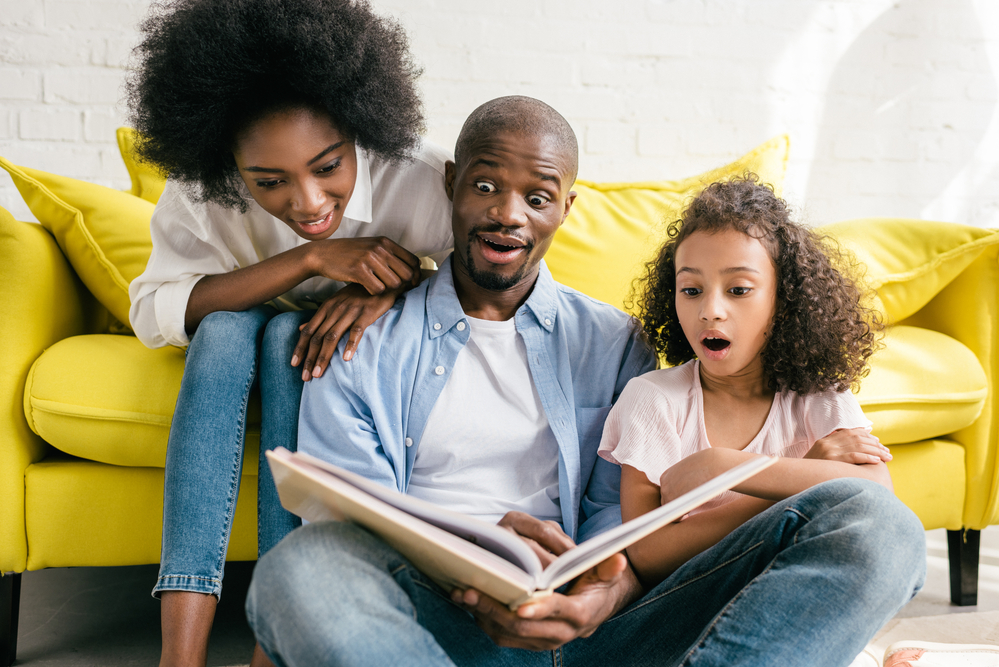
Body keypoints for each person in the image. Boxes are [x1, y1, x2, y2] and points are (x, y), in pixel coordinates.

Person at [245, 97, 926, 667]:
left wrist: (608, 589)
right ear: (451, 182)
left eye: (536, 196)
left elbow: (625, 520)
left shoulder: (615, 341)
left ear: (564, 208)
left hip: (604, 628)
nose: (508, 213)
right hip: (436, 626)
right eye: (485, 186)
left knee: (880, 528)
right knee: (296, 567)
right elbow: (351, 513)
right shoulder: (356, 337)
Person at [124, 1, 453, 665]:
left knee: (284, 344)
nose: (306, 202)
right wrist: (307, 258)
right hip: (231, 339)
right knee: (219, 331)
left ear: (359, 132)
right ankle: (177, 656)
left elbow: (485, 284)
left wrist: (389, 292)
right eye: (269, 182)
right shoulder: (201, 188)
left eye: (327, 166)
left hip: (312, 350)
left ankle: (271, 642)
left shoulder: (415, 174)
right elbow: (156, 313)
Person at [598, 175, 897, 584]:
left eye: (738, 289)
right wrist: (800, 475)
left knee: (890, 533)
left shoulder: (817, 396)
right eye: (690, 290)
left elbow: (877, 490)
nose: (711, 310)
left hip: (792, 585)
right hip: (694, 601)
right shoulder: (652, 399)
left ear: (784, 298)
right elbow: (649, 555)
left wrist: (726, 466)